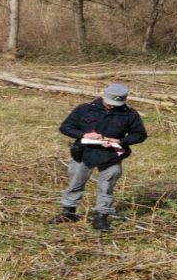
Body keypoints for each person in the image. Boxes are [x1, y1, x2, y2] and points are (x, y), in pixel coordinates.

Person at [48, 83, 147, 231]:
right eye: (109, 103)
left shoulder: (130, 114)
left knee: (106, 187)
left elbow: (140, 135)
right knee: (75, 182)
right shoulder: (84, 109)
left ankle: (101, 217)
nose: (112, 106)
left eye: (116, 104)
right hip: (83, 153)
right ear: (103, 95)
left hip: (111, 155)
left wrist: (120, 141)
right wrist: (83, 135)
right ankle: (68, 212)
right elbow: (65, 127)